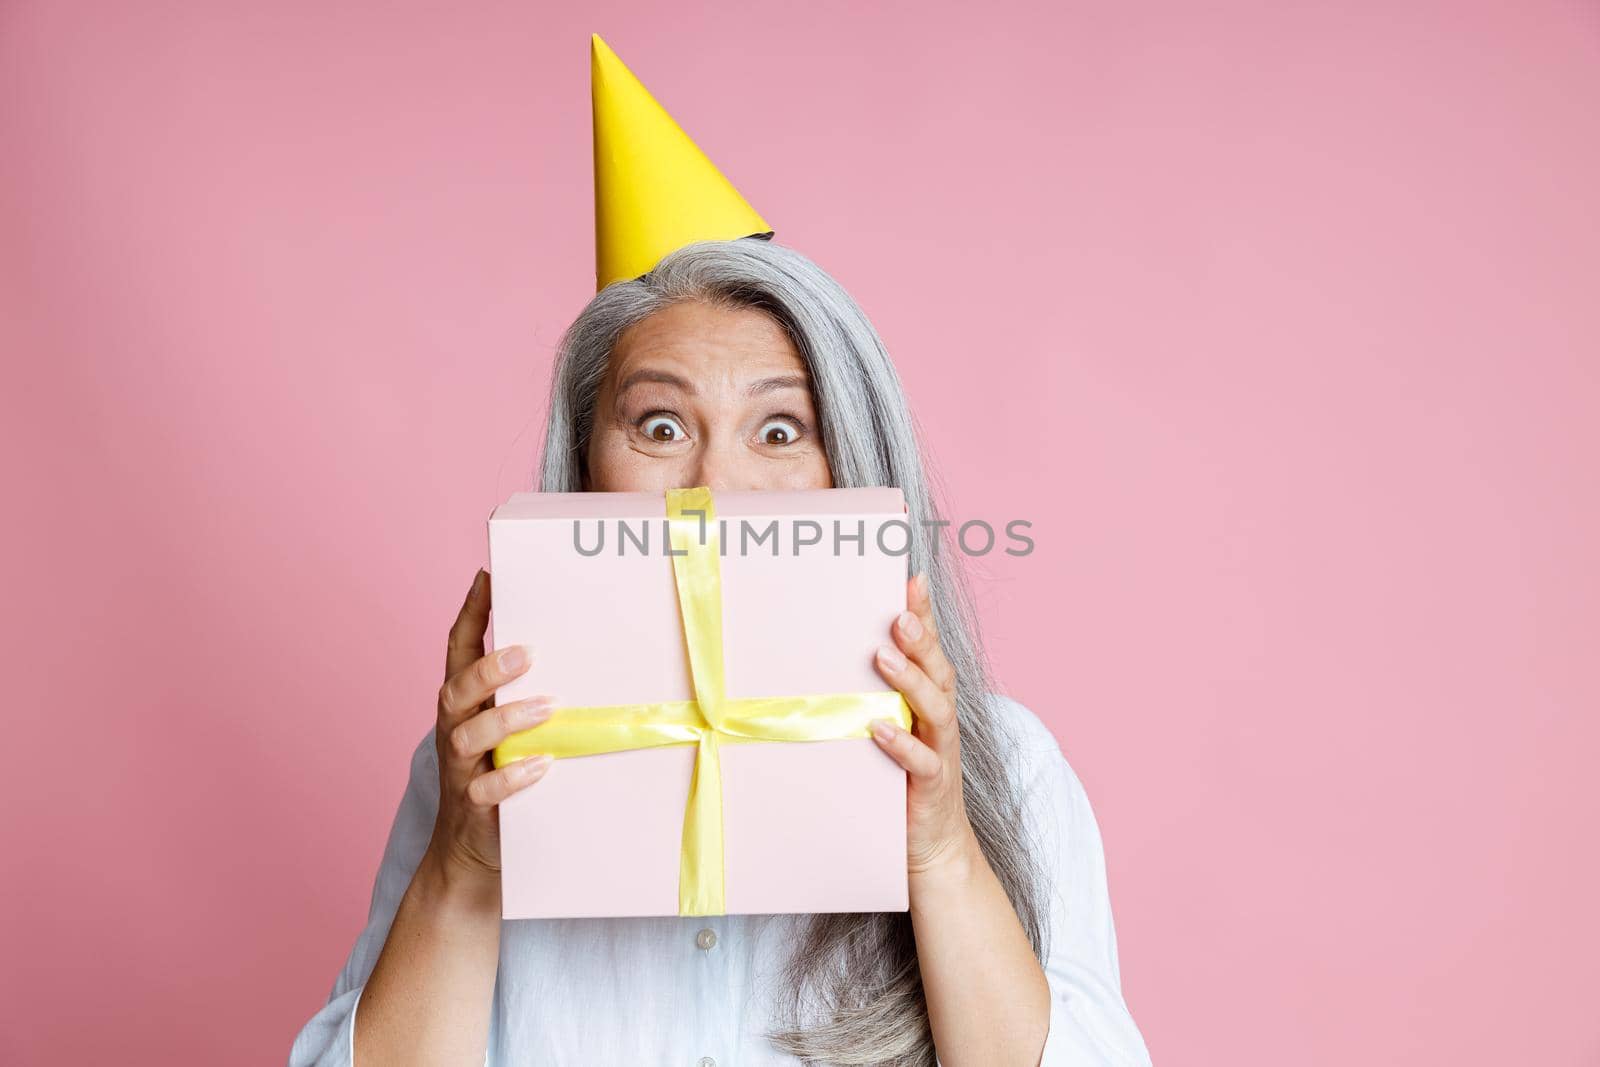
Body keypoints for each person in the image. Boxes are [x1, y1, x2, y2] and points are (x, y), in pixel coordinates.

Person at [290, 35, 1151, 1067]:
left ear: (852, 467)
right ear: (585, 466)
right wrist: (464, 870)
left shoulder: (1008, 766)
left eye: (780, 429)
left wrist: (941, 852)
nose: (714, 486)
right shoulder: (473, 774)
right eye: (659, 425)